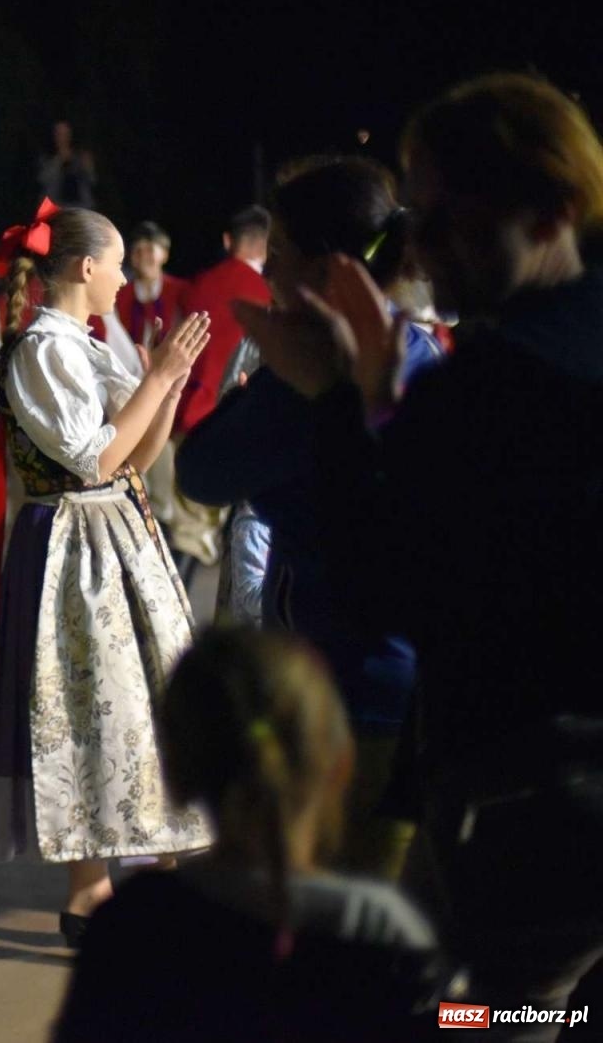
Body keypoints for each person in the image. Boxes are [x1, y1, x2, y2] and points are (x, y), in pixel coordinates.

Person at [243, 72, 603, 1041]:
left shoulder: (503, 377)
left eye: (449, 219)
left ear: (552, 210)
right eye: (413, 215)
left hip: (532, 802)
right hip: (528, 795)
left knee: (466, 1021)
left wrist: (335, 397)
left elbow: (382, 581)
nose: (419, 246)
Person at [177, 156, 444, 881]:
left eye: (282, 254)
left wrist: (270, 366)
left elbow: (202, 470)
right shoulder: (420, 351)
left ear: (328, 272)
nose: (267, 273)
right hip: (422, 690)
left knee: (334, 927)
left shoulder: (304, 384)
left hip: (340, 692)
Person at [0, 201, 214, 952]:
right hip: (73, 547)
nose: (120, 276)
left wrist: (166, 389)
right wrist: (159, 376)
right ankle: (91, 892)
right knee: (88, 709)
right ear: (85, 267)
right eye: (112, 263)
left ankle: (160, 876)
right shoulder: (41, 348)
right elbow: (93, 461)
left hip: (117, 536)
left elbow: (133, 459)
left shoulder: (87, 341)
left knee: (146, 705)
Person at [55, 629, 447, 1042]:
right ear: (341, 765)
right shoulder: (376, 928)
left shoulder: (133, 924)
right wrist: (516, 1011)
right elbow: (455, 1018)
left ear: (173, 773)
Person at [149, 205, 272, 580]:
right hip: (230, 421)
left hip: (185, 413)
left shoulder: (197, 285)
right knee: (199, 535)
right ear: (266, 247)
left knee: (193, 528)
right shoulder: (266, 293)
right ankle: (164, 625)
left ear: (227, 241)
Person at [114, 221, 187, 351]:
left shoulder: (181, 291)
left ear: (164, 255)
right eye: (137, 251)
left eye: (149, 250)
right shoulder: (119, 295)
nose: (143, 256)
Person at [37, 120, 98, 210]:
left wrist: (88, 167)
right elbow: (43, 180)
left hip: (81, 207)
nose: (62, 137)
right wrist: (58, 160)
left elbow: (92, 181)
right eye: (58, 133)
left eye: (66, 133)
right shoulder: (45, 157)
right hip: (55, 207)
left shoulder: (81, 154)